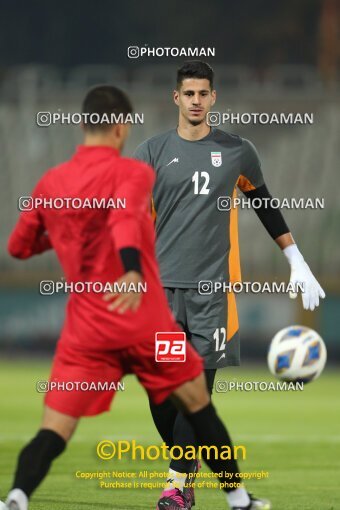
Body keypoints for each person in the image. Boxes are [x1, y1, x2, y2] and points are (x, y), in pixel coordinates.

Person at [1, 85, 271, 510]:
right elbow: (127, 224)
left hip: (87, 331)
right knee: (194, 401)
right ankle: (238, 498)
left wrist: (62, 237)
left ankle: (15, 497)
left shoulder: (52, 182)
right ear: (120, 128)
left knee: (55, 428)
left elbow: (19, 247)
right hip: (141, 314)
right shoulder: (133, 172)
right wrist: (130, 268)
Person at [133, 61, 325, 510]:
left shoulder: (237, 150)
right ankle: (190, 464)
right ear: (175, 99)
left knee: (194, 392)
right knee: (162, 399)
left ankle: (175, 487)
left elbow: (265, 205)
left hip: (213, 295)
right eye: (189, 94)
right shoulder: (151, 152)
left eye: (204, 93)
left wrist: (297, 261)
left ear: (213, 98)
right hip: (162, 294)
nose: (196, 101)